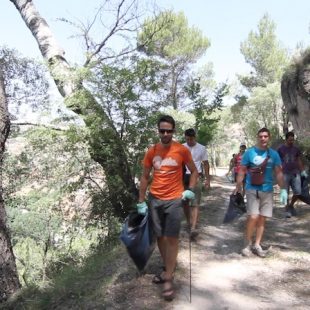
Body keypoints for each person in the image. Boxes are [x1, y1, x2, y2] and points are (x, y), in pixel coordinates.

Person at [137, 115, 198, 301]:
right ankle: (168, 266)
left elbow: (194, 171)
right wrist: (141, 201)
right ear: (158, 131)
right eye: (162, 130)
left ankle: (169, 278)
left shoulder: (181, 150)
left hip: (174, 199)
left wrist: (190, 190)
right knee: (161, 237)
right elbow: (145, 177)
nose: (165, 133)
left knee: (172, 237)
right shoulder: (151, 151)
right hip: (155, 200)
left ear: (173, 131)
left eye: (169, 131)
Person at [234, 128, 287, 258]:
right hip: (252, 189)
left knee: (262, 218)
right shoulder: (249, 153)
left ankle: (257, 244)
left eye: (265, 136)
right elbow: (242, 170)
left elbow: (279, 173)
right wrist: (238, 186)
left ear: (269, 137)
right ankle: (247, 244)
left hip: (267, 190)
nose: (263, 139)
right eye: (261, 136)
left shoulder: (274, 154)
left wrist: (283, 189)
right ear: (257, 137)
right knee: (253, 216)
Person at [182, 128, 210, 239]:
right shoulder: (181, 147)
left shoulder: (202, 148)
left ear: (195, 137)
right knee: (184, 202)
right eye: (187, 139)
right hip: (183, 176)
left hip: (196, 176)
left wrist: (208, 180)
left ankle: (193, 227)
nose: (189, 141)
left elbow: (206, 164)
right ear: (185, 138)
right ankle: (189, 222)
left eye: (191, 139)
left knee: (194, 203)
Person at [277, 132, 308, 218]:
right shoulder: (281, 149)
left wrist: (302, 171)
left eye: (292, 140)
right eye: (290, 140)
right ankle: (287, 210)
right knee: (285, 192)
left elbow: (298, 160)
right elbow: (277, 161)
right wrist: (279, 172)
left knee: (298, 192)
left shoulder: (296, 149)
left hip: (295, 173)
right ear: (286, 139)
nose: (291, 141)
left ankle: (291, 205)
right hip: (285, 173)